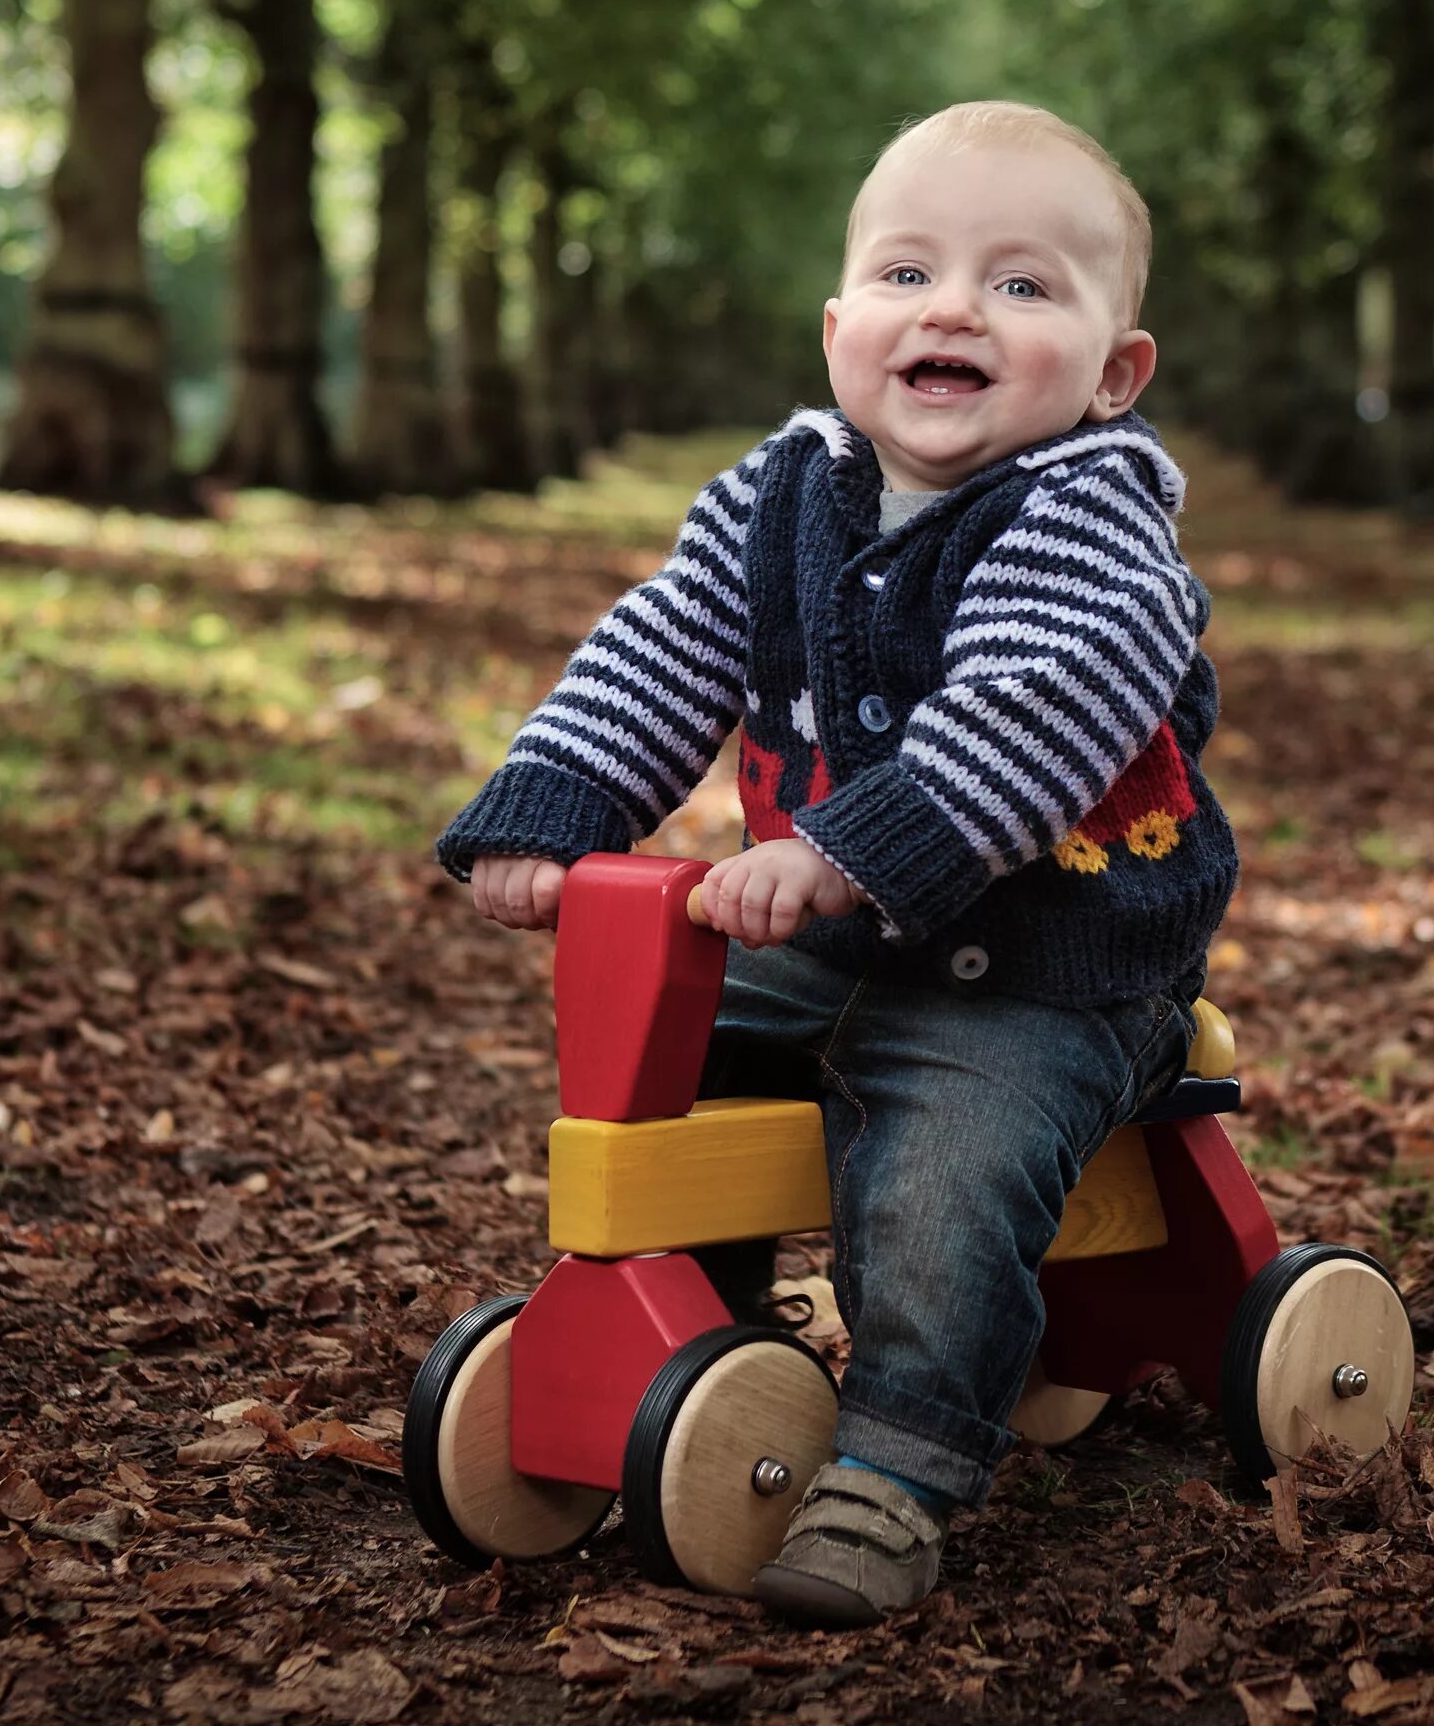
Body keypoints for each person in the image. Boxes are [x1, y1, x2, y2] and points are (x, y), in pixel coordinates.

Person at [435, 100, 1238, 1625]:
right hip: (840, 933)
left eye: (1022, 286)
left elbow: (1032, 698)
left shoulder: (1096, 515)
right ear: (838, 329)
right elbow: (665, 646)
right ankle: (708, 1344)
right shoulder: (783, 492)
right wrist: (555, 800)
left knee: (946, 1163)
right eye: (907, 273)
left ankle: (900, 1460)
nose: (954, 310)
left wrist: (843, 855)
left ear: (1115, 371)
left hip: (1057, 960)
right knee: (682, 1061)